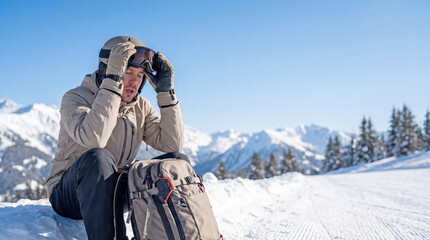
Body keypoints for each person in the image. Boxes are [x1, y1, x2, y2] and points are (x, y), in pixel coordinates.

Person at [46, 36, 185, 239]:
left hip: (116, 191)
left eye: (140, 74)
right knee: (98, 158)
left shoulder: (141, 107)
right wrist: (112, 84)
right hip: (70, 195)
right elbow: (94, 140)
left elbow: (172, 144)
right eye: (126, 72)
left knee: (177, 162)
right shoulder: (76, 98)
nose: (133, 81)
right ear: (107, 72)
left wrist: (166, 93)